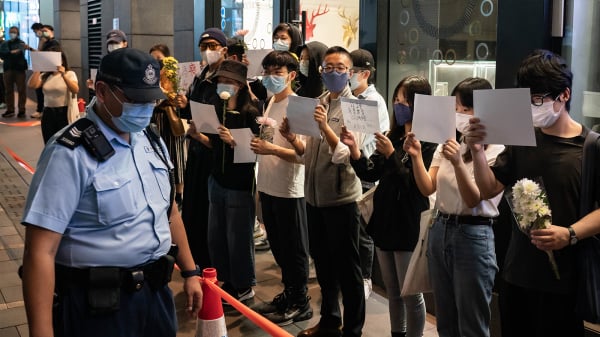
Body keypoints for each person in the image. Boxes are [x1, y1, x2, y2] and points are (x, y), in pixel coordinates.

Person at [20, 47, 203, 337]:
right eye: (134, 100)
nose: (145, 109)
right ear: (102, 91)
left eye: (151, 100)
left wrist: (191, 272)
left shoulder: (151, 141)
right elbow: (39, 251)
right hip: (98, 307)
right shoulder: (69, 152)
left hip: (155, 296)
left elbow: (169, 210)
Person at [465, 49, 595, 337]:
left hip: (565, 283)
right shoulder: (521, 139)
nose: (533, 107)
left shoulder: (589, 147)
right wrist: (476, 152)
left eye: (538, 99)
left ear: (564, 95)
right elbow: (488, 189)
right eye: (528, 100)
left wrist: (571, 233)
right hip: (517, 276)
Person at [404, 77, 504, 337]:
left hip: (474, 235)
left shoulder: (496, 150)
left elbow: (474, 199)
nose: (459, 115)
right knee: (445, 319)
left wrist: (459, 163)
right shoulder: (450, 141)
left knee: (472, 323)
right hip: (440, 228)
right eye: (456, 108)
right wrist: (415, 157)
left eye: (465, 109)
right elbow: (428, 187)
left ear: (482, 112)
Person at [340, 75, 435, 337]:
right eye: (396, 99)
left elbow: (417, 186)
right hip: (385, 220)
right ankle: (397, 333)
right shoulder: (392, 135)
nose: (398, 104)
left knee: (410, 293)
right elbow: (371, 173)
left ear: (419, 103)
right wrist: (355, 152)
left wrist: (394, 155)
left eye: (404, 100)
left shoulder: (428, 141)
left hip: (408, 221)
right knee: (392, 290)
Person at [283, 46, 365, 337]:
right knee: (324, 266)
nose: (333, 73)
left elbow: (347, 154)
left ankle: (353, 329)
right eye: (328, 68)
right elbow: (308, 153)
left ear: (351, 73)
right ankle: (330, 321)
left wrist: (324, 127)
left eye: (340, 68)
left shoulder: (358, 108)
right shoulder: (316, 102)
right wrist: (292, 138)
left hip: (342, 200)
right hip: (313, 199)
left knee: (348, 270)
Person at [188, 59, 260, 302]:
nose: (223, 85)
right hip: (216, 179)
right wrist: (198, 136)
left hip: (239, 184)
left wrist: (234, 142)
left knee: (238, 236)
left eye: (229, 81)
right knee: (216, 236)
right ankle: (226, 280)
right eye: (220, 81)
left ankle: (244, 285)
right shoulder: (217, 108)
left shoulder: (251, 112)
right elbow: (214, 145)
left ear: (240, 85)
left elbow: (254, 153)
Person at [249, 50, 312, 325]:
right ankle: (289, 293)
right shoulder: (272, 100)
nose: (271, 77)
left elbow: (303, 155)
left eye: (277, 72)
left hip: (290, 189)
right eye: (268, 72)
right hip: (269, 185)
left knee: (294, 249)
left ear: (292, 75)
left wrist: (271, 148)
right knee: (278, 247)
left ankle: (301, 302)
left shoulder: (300, 106)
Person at [180, 27, 228, 271]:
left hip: (214, 152)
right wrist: (183, 105)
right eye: (204, 46)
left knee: (209, 210)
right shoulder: (201, 75)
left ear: (224, 49)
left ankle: (210, 264)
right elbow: (193, 110)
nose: (208, 51)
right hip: (197, 149)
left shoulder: (226, 79)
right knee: (194, 206)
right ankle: (195, 258)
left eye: (212, 45)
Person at [348, 48, 390, 299]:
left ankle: (365, 277)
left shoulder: (374, 102)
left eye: (351, 71)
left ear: (365, 73)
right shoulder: (350, 97)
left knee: (362, 231)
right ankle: (353, 275)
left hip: (364, 172)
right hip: (348, 170)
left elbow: (374, 141)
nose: (348, 76)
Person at [148, 44, 187, 209]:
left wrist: (166, 96)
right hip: (154, 121)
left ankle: (179, 196)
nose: (157, 63)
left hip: (171, 122)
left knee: (175, 157)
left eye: (159, 59)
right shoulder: (149, 76)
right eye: (153, 59)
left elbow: (177, 99)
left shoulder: (174, 75)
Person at [27, 52, 79, 144]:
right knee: (49, 141)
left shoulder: (70, 73)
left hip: (64, 112)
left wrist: (63, 75)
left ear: (62, 60)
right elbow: (32, 85)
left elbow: (75, 89)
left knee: (65, 142)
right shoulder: (45, 76)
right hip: (48, 112)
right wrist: (38, 69)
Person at [0, 26, 28, 118]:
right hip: (8, 69)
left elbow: (20, 53)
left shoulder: (21, 43)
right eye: (11, 32)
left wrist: (9, 53)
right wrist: (12, 52)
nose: (12, 34)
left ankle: (21, 110)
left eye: (14, 32)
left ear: (18, 33)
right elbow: (2, 55)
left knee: (21, 90)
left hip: (19, 70)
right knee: (8, 90)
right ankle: (10, 109)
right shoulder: (5, 43)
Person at [30, 22, 48, 118]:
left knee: (40, 89)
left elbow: (41, 53)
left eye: (35, 31)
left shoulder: (45, 41)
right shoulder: (41, 40)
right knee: (39, 90)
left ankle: (41, 110)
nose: (35, 33)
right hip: (41, 68)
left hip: (44, 69)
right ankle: (40, 109)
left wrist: (30, 49)